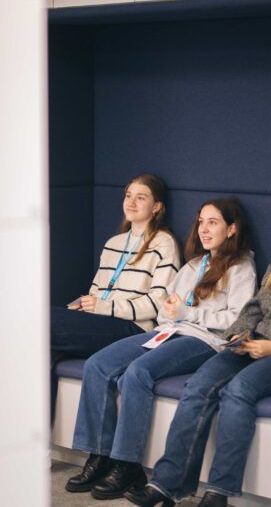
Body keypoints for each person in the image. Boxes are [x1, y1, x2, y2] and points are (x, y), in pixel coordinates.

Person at [125, 198, 271, 507]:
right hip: (249, 345)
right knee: (198, 386)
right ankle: (166, 484)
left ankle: (218, 492)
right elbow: (251, 311)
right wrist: (238, 336)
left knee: (238, 390)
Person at [65, 197, 258, 500]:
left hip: (203, 340)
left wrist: (187, 313)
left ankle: (126, 464)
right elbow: (166, 307)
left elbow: (236, 320)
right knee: (98, 364)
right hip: (167, 332)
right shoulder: (193, 265)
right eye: (201, 222)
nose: (204, 229)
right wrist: (170, 313)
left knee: (138, 372)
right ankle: (98, 455)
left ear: (232, 229)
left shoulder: (242, 267)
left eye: (213, 223)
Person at [51, 174, 180, 422]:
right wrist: (82, 305)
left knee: (44, 319)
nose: (131, 202)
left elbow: (158, 304)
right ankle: (36, 435)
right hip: (101, 320)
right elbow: (96, 292)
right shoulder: (114, 243)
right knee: (42, 349)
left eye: (140, 198)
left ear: (156, 207)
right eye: (128, 196)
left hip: (134, 329)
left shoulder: (165, 244)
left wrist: (104, 307)